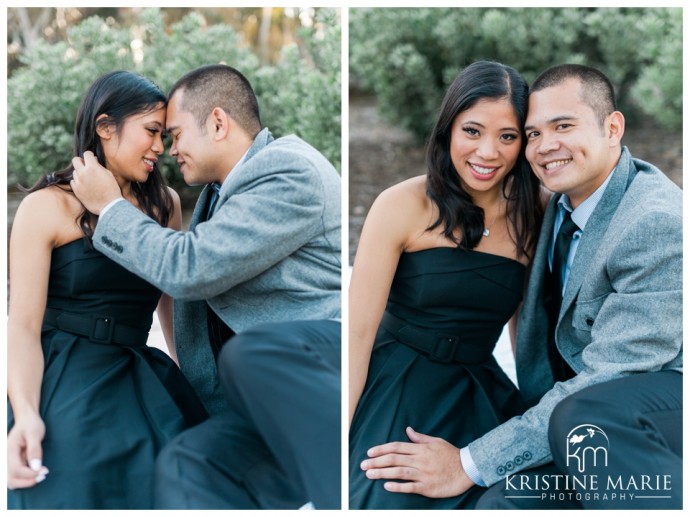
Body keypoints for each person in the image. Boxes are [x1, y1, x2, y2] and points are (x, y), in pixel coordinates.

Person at [361, 64, 682, 510]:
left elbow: (610, 372)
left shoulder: (646, 221)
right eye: (533, 133)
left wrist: (470, 461)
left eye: (563, 126)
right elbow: (531, 329)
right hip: (407, 383)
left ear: (613, 128)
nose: (545, 145)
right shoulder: (552, 206)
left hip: (637, 407)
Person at [69, 64, 341, 509]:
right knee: (188, 461)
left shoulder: (288, 170)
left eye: (174, 134)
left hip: (319, 375)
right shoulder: (219, 193)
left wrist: (110, 207)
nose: (168, 149)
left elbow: (189, 268)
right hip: (257, 399)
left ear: (217, 122)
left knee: (254, 353)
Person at [6, 71, 208, 509]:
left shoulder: (165, 204)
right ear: (104, 127)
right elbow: (21, 326)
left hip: (142, 377)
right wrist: (24, 414)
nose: (161, 147)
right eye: (152, 132)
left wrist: (196, 383)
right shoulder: (46, 206)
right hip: (66, 375)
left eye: (165, 135)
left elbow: (173, 309)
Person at [349, 60, 544, 509]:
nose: (488, 152)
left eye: (507, 136)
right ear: (448, 130)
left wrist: (533, 421)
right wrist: (338, 437)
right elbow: (357, 337)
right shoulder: (402, 204)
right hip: (396, 386)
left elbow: (524, 337)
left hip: (480, 394)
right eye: (472, 131)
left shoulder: (534, 213)